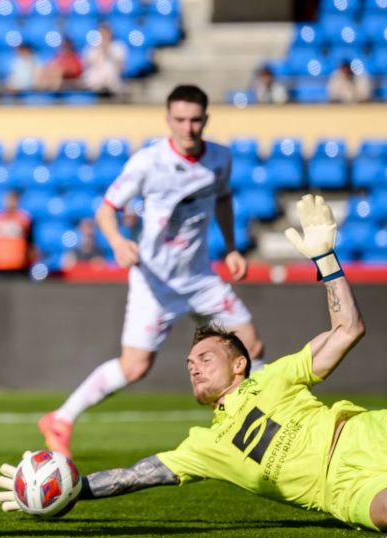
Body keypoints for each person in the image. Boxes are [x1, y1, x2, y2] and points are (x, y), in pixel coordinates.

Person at [0, 194, 387, 533]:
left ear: (240, 366)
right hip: (340, 492)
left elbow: (348, 330)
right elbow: (139, 476)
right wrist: (65, 490)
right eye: (189, 362)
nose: (193, 366)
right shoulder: (203, 448)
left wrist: (326, 259)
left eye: (205, 357)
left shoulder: (275, 374)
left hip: (363, 438)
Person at [38, 84, 265, 458]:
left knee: (252, 346)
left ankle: (255, 421)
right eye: (180, 119)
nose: (188, 128)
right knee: (135, 366)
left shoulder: (220, 158)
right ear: (168, 120)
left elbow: (222, 198)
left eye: (195, 120)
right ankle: (60, 419)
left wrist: (232, 247)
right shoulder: (148, 163)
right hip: (154, 281)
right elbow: (106, 209)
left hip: (199, 277)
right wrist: (117, 242)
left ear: (206, 119)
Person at [0, 189, 34, 276]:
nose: (11, 202)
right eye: (9, 199)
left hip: (19, 263)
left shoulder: (24, 218)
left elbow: (31, 241)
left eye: (13, 200)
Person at [82, 23, 127, 98]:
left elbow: (121, 67)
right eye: (102, 33)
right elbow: (87, 65)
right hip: (95, 81)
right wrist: (100, 51)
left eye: (106, 33)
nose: (104, 36)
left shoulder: (118, 47)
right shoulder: (91, 48)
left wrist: (109, 51)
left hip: (112, 81)